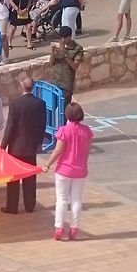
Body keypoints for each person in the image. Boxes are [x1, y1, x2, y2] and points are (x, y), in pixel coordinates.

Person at [44, 101, 93, 240]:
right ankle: (74, 227)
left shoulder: (64, 130)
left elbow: (58, 149)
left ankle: (59, 227)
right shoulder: (87, 131)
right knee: (76, 199)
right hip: (81, 169)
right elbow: (87, 150)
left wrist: (48, 164)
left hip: (64, 169)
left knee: (62, 199)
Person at [1, 75, 47, 214]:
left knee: (13, 179)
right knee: (30, 178)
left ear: (21, 87)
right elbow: (42, 126)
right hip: (31, 147)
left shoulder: (15, 104)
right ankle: (29, 205)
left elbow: (10, 128)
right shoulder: (40, 104)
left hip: (16, 148)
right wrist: (38, 143)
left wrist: (3, 145)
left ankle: (12, 206)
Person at [49, 26, 82, 113]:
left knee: (64, 112)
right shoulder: (59, 46)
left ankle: (64, 127)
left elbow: (75, 66)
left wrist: (65, 55)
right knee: (49, 109)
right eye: (62, 37)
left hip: (66, 85)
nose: (63, 40)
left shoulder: (77, 49)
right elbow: (51, 63)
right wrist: (52, 53)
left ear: (70, 36)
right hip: (54, 82)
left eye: (65, 38)